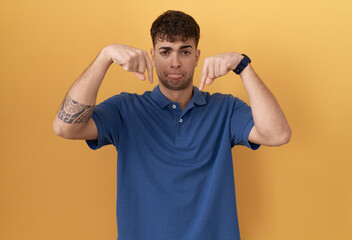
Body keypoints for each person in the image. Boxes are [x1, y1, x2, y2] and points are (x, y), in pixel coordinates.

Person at [53, 10, 291, 240]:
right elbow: (65, 127)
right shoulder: (125, 109)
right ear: (152, 55)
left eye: (184, 52)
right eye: (165, 52)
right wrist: (104, 57)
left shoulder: (225, 108)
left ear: (197, 57)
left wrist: (243, 66)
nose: (175, 62)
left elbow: (278, 134)